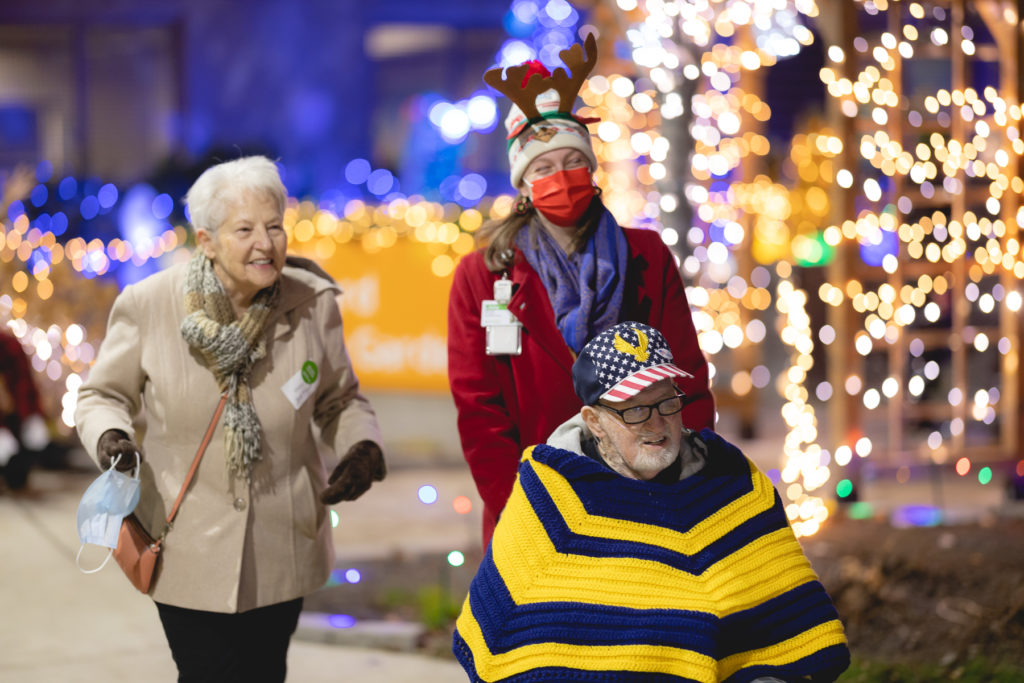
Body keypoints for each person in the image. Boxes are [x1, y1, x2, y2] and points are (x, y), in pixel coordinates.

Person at [74, 155, 385, 682]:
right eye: (244, 230)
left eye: (274, 227)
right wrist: (111, 436)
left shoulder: (312, 303)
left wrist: (362, 448)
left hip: (284, 543)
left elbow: (340, 399)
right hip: (184, 544)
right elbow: (101, 394)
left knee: (266, 673)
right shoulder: (150, 305)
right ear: (207, 240)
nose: (265, 244)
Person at [453, 321, 850, 683]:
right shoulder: (552, 497)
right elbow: (502, 633)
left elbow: (793, 624)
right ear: (594, 421)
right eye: (636, 409)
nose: (657, 423)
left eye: (666, 402)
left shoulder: (729, 481)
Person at [448, 34, 714, 547]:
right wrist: (518, 509)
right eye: (543, 168)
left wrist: (684, 480)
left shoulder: (645, 257)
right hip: (533, 499)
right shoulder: (483, 276)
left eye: (571, 163)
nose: (560, 179)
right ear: (523, 184)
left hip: (646, 493)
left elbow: (688, 376)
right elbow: (480, 410)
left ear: (591, 171)